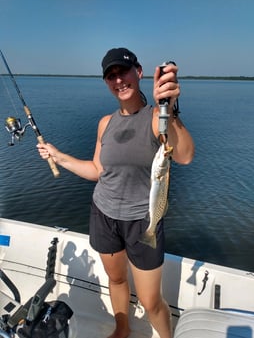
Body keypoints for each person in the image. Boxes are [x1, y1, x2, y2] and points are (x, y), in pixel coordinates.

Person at [37, 47, 194, 338]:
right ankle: (122, 327)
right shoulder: (105, 123)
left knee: (150, 301)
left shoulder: (154, 118)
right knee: (117, 278)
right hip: (104, 214)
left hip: (142, 221)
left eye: (123, 71)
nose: (118, 80)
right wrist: (57, 155)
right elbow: (98, 171)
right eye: (111, 75)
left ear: (139, 72)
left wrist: (168, 109)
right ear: (107, 82)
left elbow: (184, 156)